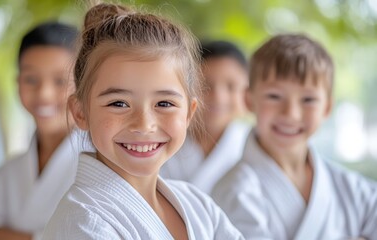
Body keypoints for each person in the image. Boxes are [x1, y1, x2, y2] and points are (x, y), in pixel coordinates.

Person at [42, 3, 244, 240]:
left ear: (189, 113)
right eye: (118, 103)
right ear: (80, 112)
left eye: (165, 104)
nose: (144, 124)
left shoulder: (198, 206)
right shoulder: (84, 223)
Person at [212, 34, 377, 240]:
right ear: (249, 100)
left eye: (308, 99)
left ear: (326, 108)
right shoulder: (234, 191)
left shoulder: (355, 189)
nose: (291, 113)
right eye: (274, 96)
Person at [0, 22, 90, 240]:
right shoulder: (6, 175)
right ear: (18, 82)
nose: (44, 94)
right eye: (31, 79)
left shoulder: (100, 163)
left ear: (83, 87)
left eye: (60, 80)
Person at [160, 40, 250, 194]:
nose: (219, 97)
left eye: (231, 86)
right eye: (205, 85)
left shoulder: (251, 145)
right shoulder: (163, 140)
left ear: (248, 91)